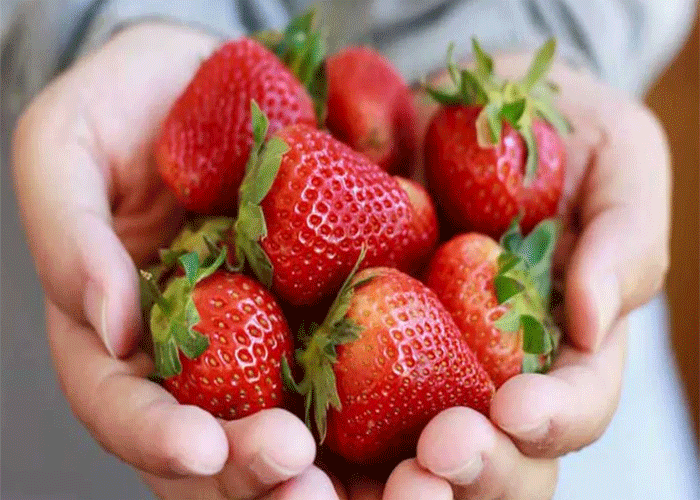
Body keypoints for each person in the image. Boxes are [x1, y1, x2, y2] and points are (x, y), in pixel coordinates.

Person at [3, 1, 698, 499]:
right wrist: (87, 18)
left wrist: (540, 20)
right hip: (97, 292)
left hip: (549, 338)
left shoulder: (319, 183)